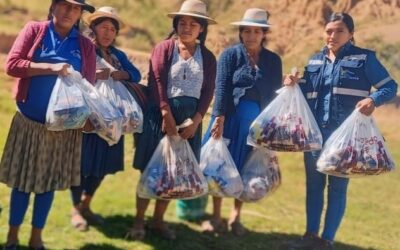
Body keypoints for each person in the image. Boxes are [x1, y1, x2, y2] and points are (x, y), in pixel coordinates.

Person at [281, 12, 398, 250]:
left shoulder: (365, 59)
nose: (332, 35)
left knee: (337, 188)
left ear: (351, 34)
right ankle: (310, 236)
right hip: (315, 135)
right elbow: (306, 95)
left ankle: (327, 240)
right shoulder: (314, 61)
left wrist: (373, 100)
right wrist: (293, 84)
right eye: (329, 31)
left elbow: (390, 86)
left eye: (339, 31)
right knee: (314, 186)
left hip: (346, 138)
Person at [0, 0, 96, 249]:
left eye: (76, 8)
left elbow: (89, 86)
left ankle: (36, 238)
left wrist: (89, 117)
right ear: (53, 6)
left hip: (62, 130)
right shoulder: (35, 30)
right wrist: (50, 67)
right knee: (22, 183)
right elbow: (12, 65)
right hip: (29, 124)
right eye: (64, 5)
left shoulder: (84, 45)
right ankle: (12, 236)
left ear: (80, 14)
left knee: (47, 186)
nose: (69, 12)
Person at [126, 0, 217, 241]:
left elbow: (208, 91)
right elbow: (156, 82)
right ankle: (138, 222)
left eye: (193, 24)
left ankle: (158, 221)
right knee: (151, 169)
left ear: (202, 29)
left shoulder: (207, 57)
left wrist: (197, 120)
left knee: (174, 173)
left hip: (189, 124)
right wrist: (166, 114)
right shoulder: (164, 48)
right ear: (176, 25)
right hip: (159, 117)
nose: (187, 27)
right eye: (182, 22)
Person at [201, 8, 283, 236]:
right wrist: (218, 118)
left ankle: (235, 217)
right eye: (246, 31)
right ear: (241, 32)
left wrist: (272, 127)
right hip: (229, 119)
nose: (251, 36)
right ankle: (216, 216)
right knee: (220, 166)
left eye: (256, 31)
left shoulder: (273, 61)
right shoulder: (230, 55)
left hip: (257, 126)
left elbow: (276, 95)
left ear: (264, 33)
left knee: (247, 168)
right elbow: (223, 87)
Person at [69, 6, 142, 232]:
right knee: (83, 166)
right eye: (104, 28)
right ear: (93, 29)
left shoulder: (118, 55)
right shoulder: (85, 48)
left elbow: (136, 74)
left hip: (114, 120)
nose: (108, 33)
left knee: (102, 166)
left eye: (112, 29)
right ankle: (75, 209)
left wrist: (114, 74)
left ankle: (85, 205)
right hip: (90, 118)